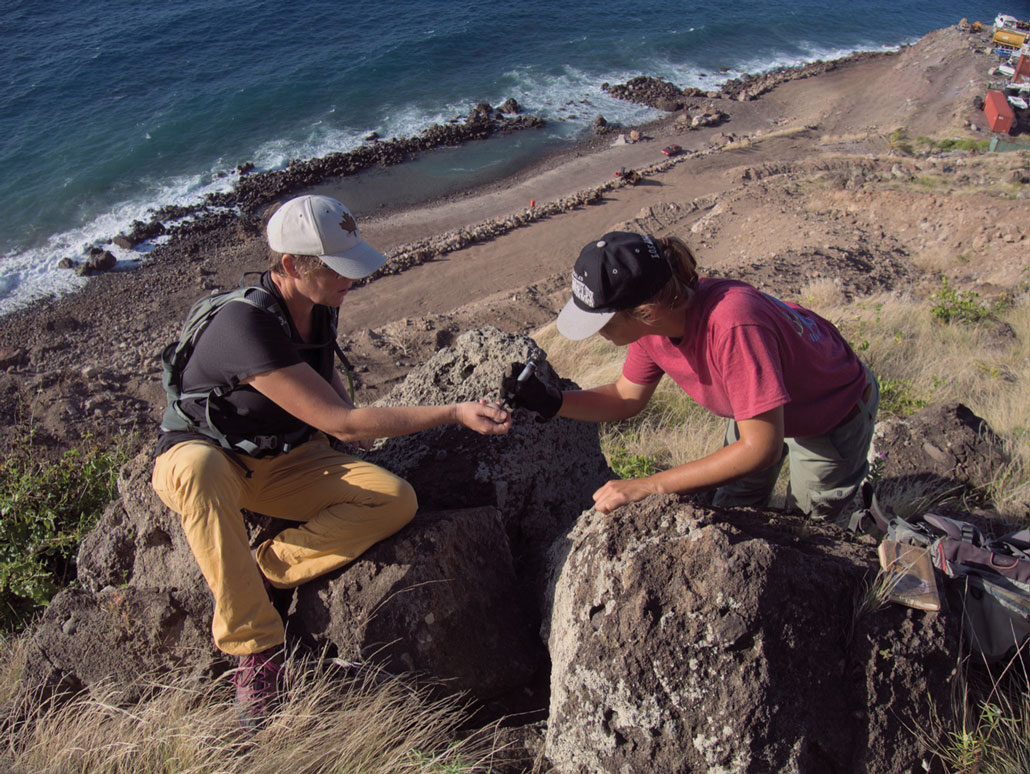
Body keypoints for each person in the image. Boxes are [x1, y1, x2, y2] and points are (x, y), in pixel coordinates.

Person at [151, 194, 511, 728]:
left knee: (393, 500)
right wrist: (452, 412)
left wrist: (342, 410)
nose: (352, 280)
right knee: (201, 473)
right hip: (208, 457)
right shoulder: (243, 326)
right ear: (292, 266)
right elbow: (339, 423)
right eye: (338, 269)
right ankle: (256, 649)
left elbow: (321, 380)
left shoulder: (319, 305)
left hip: (283, 460)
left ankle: (263, 571)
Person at [504, 231, 878, 520]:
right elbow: (626, 397)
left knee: (808, 525)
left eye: (601, 321)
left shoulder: (732, 325)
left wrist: (648, 486)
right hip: (755, 409)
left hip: (829, 413)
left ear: (645, 310)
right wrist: (552, 402)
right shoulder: (656, 325)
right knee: (737, 505)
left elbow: (760, 447)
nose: (596, 332)